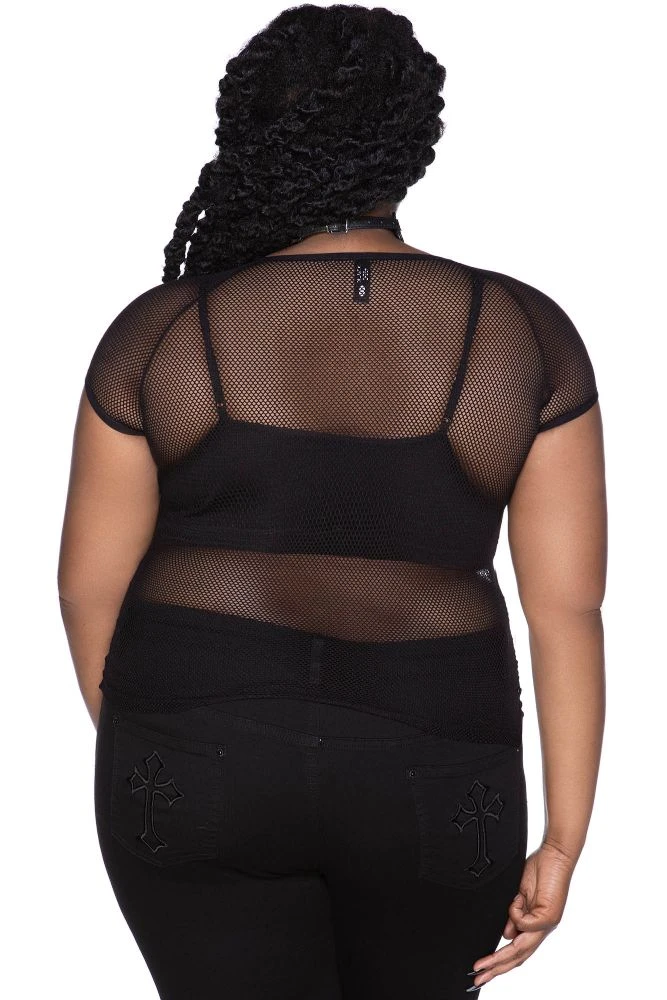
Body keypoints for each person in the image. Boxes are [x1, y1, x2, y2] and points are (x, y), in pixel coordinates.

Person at [57, 4, 606, 998]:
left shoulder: (160, 331)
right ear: (413, 144)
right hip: (434, 763)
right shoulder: (521, 333)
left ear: (253, 137)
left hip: (191, 748)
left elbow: (86, 586)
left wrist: (159, 744)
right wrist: (564, 838)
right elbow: (565, 608)